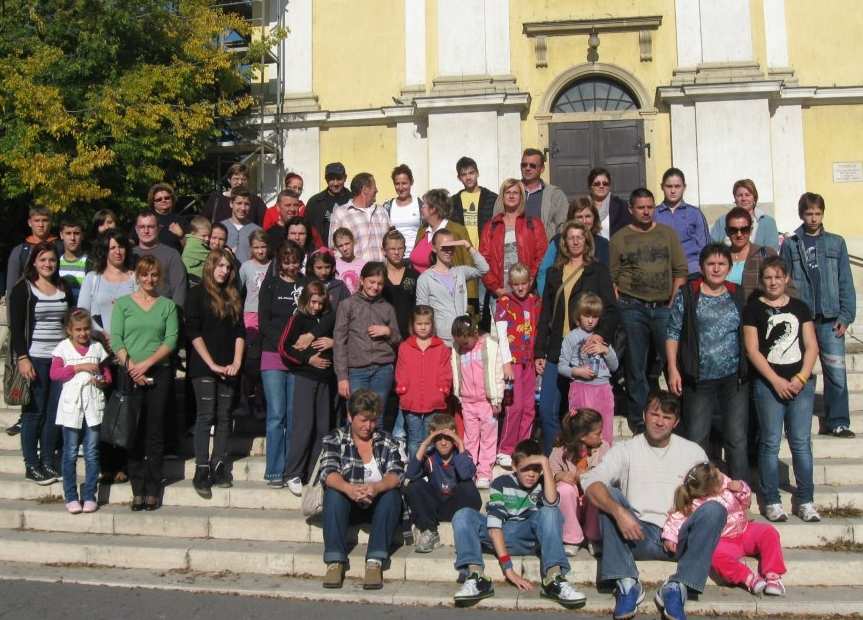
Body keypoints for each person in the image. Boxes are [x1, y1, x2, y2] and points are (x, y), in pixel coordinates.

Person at [582, 392, 727, 620]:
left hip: (680, 536)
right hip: (637, 532)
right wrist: (620, 513)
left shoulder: (693, 452)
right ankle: (627, 583)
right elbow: (590, 481)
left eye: (667, 417)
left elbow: (715, 491)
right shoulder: (626, 449)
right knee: (607, 494)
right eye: (654, 414)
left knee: (715, 510)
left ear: (676, 422)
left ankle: (678, 586)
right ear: (644, 415)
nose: (659, 421)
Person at [452, 439, 587, 609]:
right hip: (500, 535)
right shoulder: (501, 483)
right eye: (526, 468)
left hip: (529, 536)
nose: (532, 474)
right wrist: (508, 569)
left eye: (536, 469)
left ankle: (553, 578)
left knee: (550, 511)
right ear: (514, 467)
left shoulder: (544, 483)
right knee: (463, 515)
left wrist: (545, 465)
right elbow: (494, 526)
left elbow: (552, 503)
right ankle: (476, 578)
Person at [743, 256, 821, 523]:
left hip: (800, 383)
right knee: (770, 442)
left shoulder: (800, 307)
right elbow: (752, 349)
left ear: (786, 279)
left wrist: (801, 378)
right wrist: (775, 380)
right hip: (768, 385)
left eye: (778, 276)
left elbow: (811, 345)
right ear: (761, 280)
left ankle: (806, 499)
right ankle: (772, 500)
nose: (773, 282)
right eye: (768, 277)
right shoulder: (753, 309)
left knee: (800, 443)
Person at [666, 243, 750, 482]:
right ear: (702, 267)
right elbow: (673, 332)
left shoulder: (737, 293)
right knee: (696, 437)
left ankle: (740, 494)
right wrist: (673, 368)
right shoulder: (689, 293)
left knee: (736, 438)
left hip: (734, 379)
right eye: (711, 264)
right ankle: (697, 492)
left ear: (729, 267)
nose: (716, 269)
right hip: (699, 377)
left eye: (721, 264)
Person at [535, 222, 618, 453]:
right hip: (556, 349)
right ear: (564, 242)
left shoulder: (597, 270)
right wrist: (539, 351)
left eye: (579, 237)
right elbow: (545, 315)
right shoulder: (554, 272)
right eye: (570, 237)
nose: (575, 241)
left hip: (584, 351)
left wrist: (601, 337)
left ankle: (586, 458)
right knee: (547, 409)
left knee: (581, 413)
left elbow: (611, 309)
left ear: (586, 241)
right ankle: (555, 457)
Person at [611, 188, 688, 434]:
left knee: (671, 362)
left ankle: (675, 414)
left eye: (650, 207)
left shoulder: (667, 234)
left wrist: (673, 300)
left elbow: (680, 270)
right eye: (641, 207)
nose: (646, 211)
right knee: (636, 366)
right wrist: (621, 304)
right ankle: (641, 418)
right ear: (631, 210)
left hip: (664, 307)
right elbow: (612, 276)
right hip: (632, 307)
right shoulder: (620, 238)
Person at [780, 192, 856, 439]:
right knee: (801, 369)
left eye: (817, 213)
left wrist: (846, 316)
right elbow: (784, 280)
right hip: (803, 320)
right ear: (801, 214)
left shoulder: (836, 243)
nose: (813, 218)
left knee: (836, 372)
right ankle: (797, 419)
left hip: (831, 318)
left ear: (823, 214)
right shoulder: (791, 244)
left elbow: (845, 280)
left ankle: (838, 421)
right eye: (809, 213)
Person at [111, 255, 179, 511]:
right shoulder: (123, 305)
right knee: (133, 432)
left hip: (158, 372)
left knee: (154, 432)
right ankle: (137, 488)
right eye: (145, 274)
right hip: (129, 374)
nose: (149, 279)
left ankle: (153, 488)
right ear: (137, 276)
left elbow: (170, 341)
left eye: (154, 275)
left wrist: (146, 364)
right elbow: (116, 339)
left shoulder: (167, 306)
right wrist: (132, 367)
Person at [319, 389, 405, 590]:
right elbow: (328, 471)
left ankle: (375, 562)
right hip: (347, 504)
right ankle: (335, 562)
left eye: (373, 420)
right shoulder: (335, 438)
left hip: (377, 505)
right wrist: (347, 488)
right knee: (333, 493)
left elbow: (397, 473)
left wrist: (377, 487)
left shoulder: (387, 440)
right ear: (350, 416)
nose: (368, 426)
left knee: (392, 494)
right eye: (363, 420)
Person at [663, 462, 787, 596]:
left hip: (744, 531)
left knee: (769, 532)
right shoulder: (694, 503)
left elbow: (746, 503)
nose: (720, 472)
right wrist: (670, 537)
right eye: (717, 474)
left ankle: (773, 575)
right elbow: (677, 518)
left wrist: (741, 488)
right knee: (714, 556)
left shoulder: (727, 484)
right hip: (723, 541)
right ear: (711, 489)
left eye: (717, 470)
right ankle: (748, 578)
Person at [8, 241, 73, 484]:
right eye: (43, 259)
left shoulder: (63, 287)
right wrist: (22, 358)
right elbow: (16, 327)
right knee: (33, 412)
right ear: (34, 262)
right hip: (34, 358)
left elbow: (69, 320)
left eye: (52, 260)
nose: (48, 264)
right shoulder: (23, 289)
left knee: (53, 412)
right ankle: (31, 464)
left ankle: (47, 461)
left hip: (59, 358)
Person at [77, 230, 138, 482]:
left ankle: (122, 464)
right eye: (113, 247)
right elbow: (82, 313)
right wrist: (103, 335)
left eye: (122, 246)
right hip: (101, 353)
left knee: (123, 410)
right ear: (106, 250)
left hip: (128, 354)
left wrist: (122, 339)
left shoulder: (134, 278)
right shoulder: (93, 279)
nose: (118, 251)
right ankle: (105, 465)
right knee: (100, 409)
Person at [186, 249, 246, 498]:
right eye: (219, 266)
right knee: (205, 415)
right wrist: (211, 364)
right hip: (204, 366)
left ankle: (219, 463)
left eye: (228, 267)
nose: (224, 270)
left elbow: (240, 332)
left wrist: (236, 362)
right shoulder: (197, 293)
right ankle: (201, 468)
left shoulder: (233, 296)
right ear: (210, 267)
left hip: (228, 365)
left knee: (224, 416)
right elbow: (193, 331)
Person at [51, 308, 112, 514]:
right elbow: (55, 373)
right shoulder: (63, 348)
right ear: (70, 330)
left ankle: (89, 495)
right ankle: (70, 495)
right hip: (71, 408)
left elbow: (106, 375)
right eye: (78, 329)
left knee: (92, 453)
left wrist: (101, 381)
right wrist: (79, 367)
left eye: (86, 329)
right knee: (69, 453)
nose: (83, 333)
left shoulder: (96, 348)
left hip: (93, 406)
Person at [278, 280, 335, 496]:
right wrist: (307, 359)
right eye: (313, 302)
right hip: (305, 377)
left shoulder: (329, 317)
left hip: (325, 380)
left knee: (322, 428)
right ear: (306, 301)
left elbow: (337, 331)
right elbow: (284, 348)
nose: (316, 307)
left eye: (321, 303)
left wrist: (333, 342)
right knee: (304, 426)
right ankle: (293, 472)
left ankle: (314, 471)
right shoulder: (298, 319)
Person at [258, 240, 307, 487]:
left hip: (298, 358)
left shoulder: (306, 285)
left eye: (295, 260)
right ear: (280, 261)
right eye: (286, 260)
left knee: (294, 414)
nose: (291, 265)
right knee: (277, 415)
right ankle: (275, 470)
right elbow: (264, 322)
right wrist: (283, 345)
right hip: (273, 356)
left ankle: (293, 469)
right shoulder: (270, 285)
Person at [404, 413, 482, 553]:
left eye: (448, 438)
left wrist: (460, 444)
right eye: (438, 438)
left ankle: (465, 531)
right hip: (436, 507)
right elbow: (410, 474)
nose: (444, 443)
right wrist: (425, 444)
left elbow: (465, 474)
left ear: (454, 438)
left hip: (457, 507)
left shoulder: (462, 454)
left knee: (467, 485)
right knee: (413, 486)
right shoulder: (430, 456)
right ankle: (430, 531)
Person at [333, 262, 401, 406]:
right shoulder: (347, 305)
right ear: (362, 280)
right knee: (357, 415)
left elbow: (397, 339)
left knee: (378, 417)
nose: (375, 287)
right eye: (372, 282)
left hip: (383, 369)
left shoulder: (387, 308)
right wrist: (342, 377)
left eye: (380, 284)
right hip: (357, 370)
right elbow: (339, 343)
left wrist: (388, 331)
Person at [494, 264, 541, 467]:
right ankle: (506, 448)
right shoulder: (504, 302)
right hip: (512, 362)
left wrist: (540, 356)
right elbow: (502, 336)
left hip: (529, 361)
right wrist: (506, 363)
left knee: (530, 406)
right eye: (516, 284)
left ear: (529, 282)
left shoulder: (534, 301)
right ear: (510, 284)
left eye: (524, 283)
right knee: (515, 405)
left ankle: (524, 446)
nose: (521, 288)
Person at [450, 315, 504, 488]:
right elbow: (456, 372)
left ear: (474, 333)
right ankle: (469, 471)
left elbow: (497, 373)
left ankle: (485, 473)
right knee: (470, 439)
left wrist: (497, 398)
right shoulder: (457, 349)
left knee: (488, 438)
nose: (463, 346)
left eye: (466, 343)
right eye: (460, 343)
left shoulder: (489, 346)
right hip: (468, 402)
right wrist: (458, 395)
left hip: (487, 402)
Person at [558, 293, 619, 445]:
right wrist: (577, 372)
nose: (591, 320)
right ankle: (580, 462)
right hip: (581, 388)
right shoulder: (571, 337)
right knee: (581, 430)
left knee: (604, 430)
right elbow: (562, 366)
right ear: (579, 315)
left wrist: (605, 350)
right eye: (587, 315)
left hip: (603, 388)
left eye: (595, 316)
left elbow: (615, 366)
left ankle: (604, 463)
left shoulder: (601, 337)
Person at [549, 409, 609, 555]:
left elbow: (609, 474)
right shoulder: (559, 451)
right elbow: (549, 474)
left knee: (596, 487)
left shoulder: (603, 448)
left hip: (591, 503)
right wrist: (559, 476)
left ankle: (593, 536)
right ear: (582, 436)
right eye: (597, 433)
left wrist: (587, 475)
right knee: (564, 489)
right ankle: (571, 537)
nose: (601, 436)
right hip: (570, 505)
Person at [394, 305, 452, 456]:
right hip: (411, 400)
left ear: (432, 324)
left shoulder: (441, 348)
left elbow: (445, 371)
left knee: (430, 439)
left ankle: (429, 470)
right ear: (413, 325)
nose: (423, 327)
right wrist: (402, 387)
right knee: (414, 439)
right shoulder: (405, 347)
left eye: (427, 324)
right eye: (419, 324)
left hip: (434, 401)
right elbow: (401, 370)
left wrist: (444, 388)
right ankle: (414, 472)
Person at [416, 229, 489, 347]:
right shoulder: (425, 279)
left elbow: (484, 269)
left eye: (452, 246)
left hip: (463, 337)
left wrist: (468, 246)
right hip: (441, 340)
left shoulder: (460, 272)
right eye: (444, 247)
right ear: (434, 248)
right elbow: (422, 313)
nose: (449, 250)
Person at [480, 179, 548, 305]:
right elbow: (483, 261)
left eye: (515, 193)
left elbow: (541, 256)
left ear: (521, 196)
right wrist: (496, 288)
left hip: (527, 293)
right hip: (500, 294)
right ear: (502, 196)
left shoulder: (533, 224)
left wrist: (529, 280)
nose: (511, 195)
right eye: (508, 192)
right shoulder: (491, 226)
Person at [537, 197, 609, 296]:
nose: (584, 221)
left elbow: (606, 277)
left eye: (588, 216)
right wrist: (544, 298)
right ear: (572, 219)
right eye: (579, 217)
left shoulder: (603, 244)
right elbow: (543, 272)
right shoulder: (558, 241)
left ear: (594, 218)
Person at [492, 148, 568, 240]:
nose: (527, 168)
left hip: (544, 250)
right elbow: (496, 222)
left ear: (542, 169)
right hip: (513, 250)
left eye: (532, 165)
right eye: (524, 165)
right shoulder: (509, 191)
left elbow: (563, 226)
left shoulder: (555, 195)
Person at [238, 229, 271, 419]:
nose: (260, 251)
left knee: (263, 360)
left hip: (268, 316)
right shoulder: (246, 267)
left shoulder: (274, 266)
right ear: (251, 248)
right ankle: (245, 400)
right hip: (250, 315)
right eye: (256, 247)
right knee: (250, 360)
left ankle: (260, 402)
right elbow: (238, 291)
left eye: (263, 247)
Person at [654, 168, 710, 276]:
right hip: (663, 273)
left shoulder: (695, 213)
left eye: (677, 186)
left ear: (684, 187)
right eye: (669, 186)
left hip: (692, 272)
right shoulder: (654, 214)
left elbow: (706, 246)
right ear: (662, 187)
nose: (673, 191)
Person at [329, 173, 390, 262]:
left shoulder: (381, 211)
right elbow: (334, 248)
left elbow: (389, 242)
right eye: (374, 187)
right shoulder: (341, 213)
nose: (377, 190)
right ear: (365, 189)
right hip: (356, 273)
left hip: (382, 272)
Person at [411, 189, 474, 276]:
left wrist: (469, 289)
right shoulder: (422, 230)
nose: (421, 208)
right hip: (418, 287)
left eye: (424, 206)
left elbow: (469, 264)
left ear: (433, 209)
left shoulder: (457, 231)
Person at [5, 206, 61, 302]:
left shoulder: (61, 247)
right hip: (28, 304)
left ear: (51, 222)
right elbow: (12, 288)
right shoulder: (20, 251)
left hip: (57, 301)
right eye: (37, 220)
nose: (41, 224)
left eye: (45, 220)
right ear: (29, 223)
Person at [132, 210, 188, 307]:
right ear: (136, 230)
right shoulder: (130, 254)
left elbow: (179, 290)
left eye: (151, 227)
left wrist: (175, 314)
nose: (146, 231)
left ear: (158, 228)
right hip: (134, 312)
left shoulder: (171, 254)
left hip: (164, 312)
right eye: (142, 227)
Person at [723, 206, 779, 299]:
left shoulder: (766, 255)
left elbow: (786, 287)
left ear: (751, 230)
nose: (739, 234)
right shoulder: (720, 258)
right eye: (733, 230)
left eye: (744, 229)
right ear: (727, 231)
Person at [710, 179, 779, 251]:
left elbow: (771, 251)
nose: (744, 199)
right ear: (735, 198)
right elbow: (713, 247)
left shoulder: (768, 222)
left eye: (747, 195)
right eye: (740, 195)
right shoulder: (722, 221)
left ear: (754, 198)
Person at [449, 156, 498, 250]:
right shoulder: (453, 202)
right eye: (464, 174)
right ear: (459, 178)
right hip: (462, 253)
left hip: (486, 253)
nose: (468, 177)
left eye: (471, 173)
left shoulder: (492, 198)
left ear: (477, 173)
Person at [382, 229, 420, 340]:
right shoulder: (378, 276)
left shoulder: (414, 276)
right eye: (392, 249)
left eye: (400, 248)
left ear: (405, 250)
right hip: (384, 337)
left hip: (410, 336)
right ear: (384, 251)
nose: (396, 252)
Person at [202, 162, 267, 226]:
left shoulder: (256, 201)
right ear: (229, 180)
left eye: (243, 179)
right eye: (236, 179)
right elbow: (202, 223)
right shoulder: (216, 199)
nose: (240, 182)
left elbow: (266, 223)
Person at [305, 162, 351, 245]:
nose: (336, 183)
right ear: (326, 180)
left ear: (345, 178)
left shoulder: (353, 200)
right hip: (322, 255)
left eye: (339, 178)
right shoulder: (314, 202)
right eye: (332, 179)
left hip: (349, 254)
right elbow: (306, 230)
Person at [382, 164, 422, 257]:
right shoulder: (387, 207)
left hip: (415, 258)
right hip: (394, 258)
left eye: (404, 183)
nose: (400, 188)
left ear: (411, 182)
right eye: (397, 184)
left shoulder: (421, 205)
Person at [587, 167, 631, 240]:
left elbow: (628, 231)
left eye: (605, 183)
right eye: (597, 184)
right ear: (590, 186)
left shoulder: (621, 205)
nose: (601, 186)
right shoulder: (582, 206)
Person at [220, 188, 262, 264]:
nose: (243, 208)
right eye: (239, 203)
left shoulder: (257, 230)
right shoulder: (221, 228)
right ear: (231, 204)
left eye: (246, 204)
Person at [145, 183, 186, 252]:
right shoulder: (146, 219)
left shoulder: (181, 220)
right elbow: (132, 242)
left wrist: (181, 236)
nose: (163, 200)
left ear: (172, 200)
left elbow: (190, 249)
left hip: (174, 261)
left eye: (167, 198)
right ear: (153, 203)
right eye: (159, 199)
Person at [58, 219, 87, 304]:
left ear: (82, 235)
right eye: (68, 233)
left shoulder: (91, 263)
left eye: (76, 233)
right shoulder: (54, 263)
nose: (72, 238)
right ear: (61, 235)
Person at [332, 227, 366, 294]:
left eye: (347, 244)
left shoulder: (363, 264)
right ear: (336, 247)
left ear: (353, 242)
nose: (344, 248)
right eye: (340, 246)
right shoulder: (335, 265)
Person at [181, 216, 212, 282]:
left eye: (209, 236)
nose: (207, 239)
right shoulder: (195, 244)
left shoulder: (192, 240)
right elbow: (211, 257)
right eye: (203, 236)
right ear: (193, 233)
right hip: (192, 280)